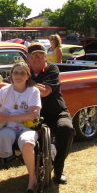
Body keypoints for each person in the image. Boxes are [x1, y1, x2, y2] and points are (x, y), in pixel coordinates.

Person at [0, 61, 42, 193]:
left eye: (22, 73)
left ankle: (32, 180)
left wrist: (7, 116)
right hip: (9, 127)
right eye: (15, 72)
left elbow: (33, 114)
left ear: (27, 76)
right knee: (3, 135)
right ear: (11, 75)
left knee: (26, 142)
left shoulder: (33, 91)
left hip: (28, 127)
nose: (18, 75)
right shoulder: (4, 91)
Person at [26, 42, 76, 185]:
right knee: (37, 137)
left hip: (57, 112)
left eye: (40, 55)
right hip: (36, 116)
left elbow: (45, 91)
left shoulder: (52, 69)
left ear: (45, 57)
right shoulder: (23, 71)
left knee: (66, 130)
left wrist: (24, 84)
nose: (37, 58)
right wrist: (32, 85)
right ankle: (43, 164)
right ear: (28, 59)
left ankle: (58, 171)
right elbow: (4, 84)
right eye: (33, 56)